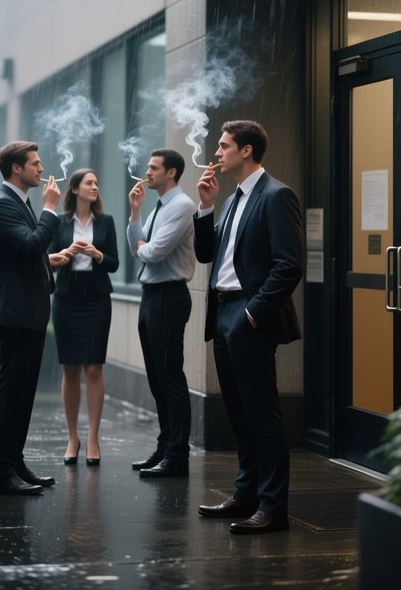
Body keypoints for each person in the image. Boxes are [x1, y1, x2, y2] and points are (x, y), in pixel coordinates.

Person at [194, 120, 304, 535]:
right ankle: (246, 494)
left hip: (248, 316)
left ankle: (272, 507)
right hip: (223, 313)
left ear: (246, 151)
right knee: (238, 412)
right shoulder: (233, 198)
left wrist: (254, 314)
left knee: (263, 413)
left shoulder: (277, 196)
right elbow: (208, 254)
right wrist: (206, 206)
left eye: (224, 146)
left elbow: (288, 265)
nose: (217, 152)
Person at [0, 141, 61, 496]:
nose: (41, 170)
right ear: (16, 168)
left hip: (28, 311)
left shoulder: (17, 202)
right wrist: (49, 210)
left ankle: (14, 462)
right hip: (15, 313)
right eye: (35, 164)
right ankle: (1, 471)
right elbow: (30, 244)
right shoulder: (2, 203)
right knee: (12, 391)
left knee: (24, 392)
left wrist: (51, 260)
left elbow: (27, 254)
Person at [127, 148, 196, 478]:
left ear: (171, 173)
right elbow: (136, 247)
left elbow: (152, 252)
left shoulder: (181, 206)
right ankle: (165, 445)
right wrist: (135, 212)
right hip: (151, 297)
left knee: (170, 377)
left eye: (154, 168)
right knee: (157, 378)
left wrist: (143, 248)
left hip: (169, 297)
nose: (147, 172)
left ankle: (177, 456)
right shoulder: (158, 207)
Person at [48, 169, 119, 466]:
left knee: (93, 369)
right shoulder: (60, 223)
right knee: (71, 369)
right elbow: (48, 259)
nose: (95, 187)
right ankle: (73, 436)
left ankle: (92, 437)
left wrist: (97, 254)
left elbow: (114, 262)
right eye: (89, 183)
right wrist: (66, 252)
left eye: (96, 183)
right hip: (66, 298)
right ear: (75, 189)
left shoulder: (107, 222)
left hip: (97, 297)